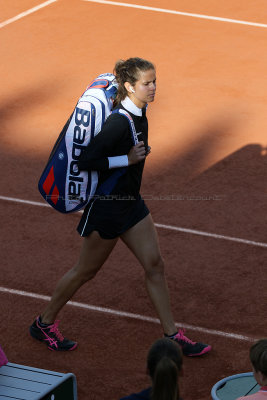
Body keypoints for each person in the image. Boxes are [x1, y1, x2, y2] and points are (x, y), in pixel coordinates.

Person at [29, 57, 211, 357]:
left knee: (155, 265)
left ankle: (172, 334)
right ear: (129, 86)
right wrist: (127, 160)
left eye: (155, 81)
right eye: (147, 83)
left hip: (130, 204)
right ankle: (44, 323)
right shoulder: (117, 123)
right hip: (108, 209)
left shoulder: (139, 113)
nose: (153, 88)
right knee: (85, 271)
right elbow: (87, 160)